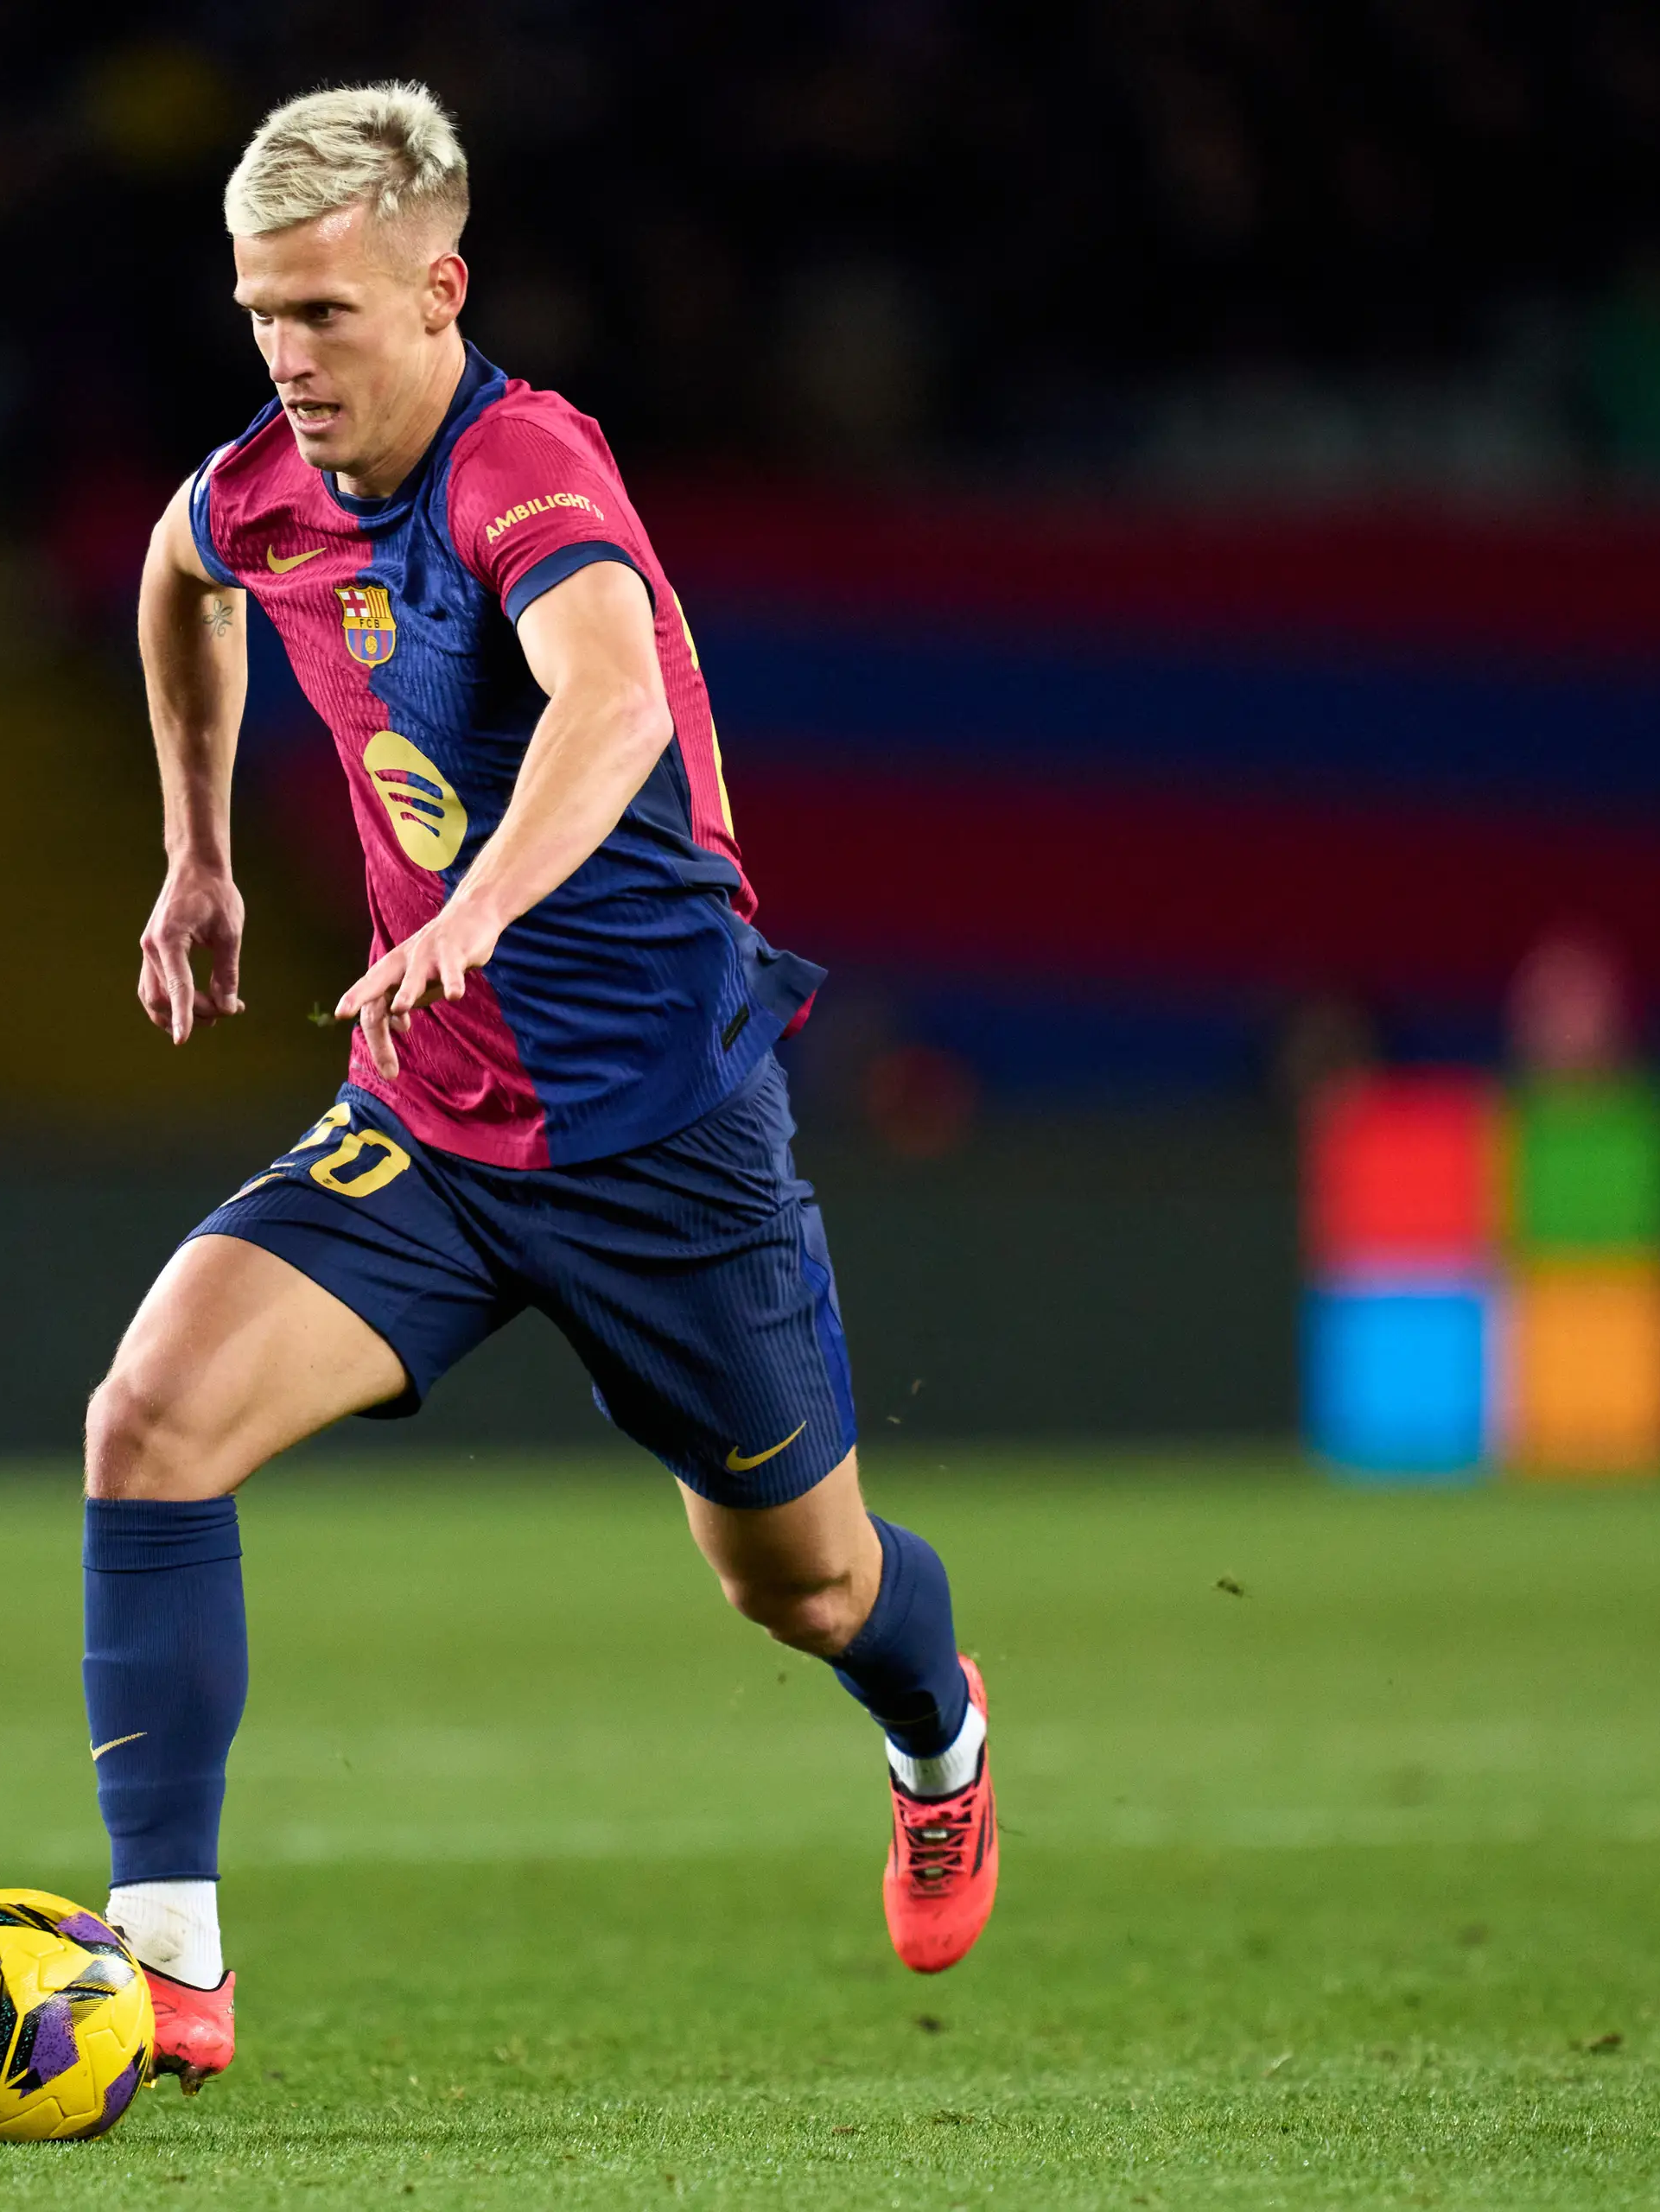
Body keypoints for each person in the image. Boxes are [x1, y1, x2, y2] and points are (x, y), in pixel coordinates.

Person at [86, 83, 994, 2092]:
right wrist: (201, 848)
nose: (289, 362)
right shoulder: (269, 483)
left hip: (660, 1133)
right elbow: (176, 574)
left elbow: (610, 694)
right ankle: (168, 1969)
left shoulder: (525, 467)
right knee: (148, 1416)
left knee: (804, 1578)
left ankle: (943, 1737)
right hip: (431, 1113)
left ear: (440, 286)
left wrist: (476, 907)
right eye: (259, 317)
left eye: (323, 313)